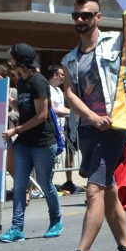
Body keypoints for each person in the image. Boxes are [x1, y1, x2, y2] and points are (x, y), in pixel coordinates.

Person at [54, 0, 126, 251]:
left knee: (94, 190)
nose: (80, 20)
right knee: (110, 191)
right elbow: (71, 94)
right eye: (76, 16)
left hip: (113, 128)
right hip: (88, 129)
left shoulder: (114, 43)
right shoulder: (70, 59)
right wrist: (91, 117)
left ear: (98, 17)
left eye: (86, 16)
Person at [0, 44, 62, 242]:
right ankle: (17, 228)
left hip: (42, 142)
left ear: (20, 61)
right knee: (19, 185)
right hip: (24, 143)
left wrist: (15, 130)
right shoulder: (23, 82)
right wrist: (11, 101)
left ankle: (56, 220)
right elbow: (26, 108)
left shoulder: (38, 81)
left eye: (11, 59)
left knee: (45, 183)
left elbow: (42, 115)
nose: (9, 62)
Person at [47, 63, 78, 194]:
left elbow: (63, 108)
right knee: (51, 158)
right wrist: (71, 113)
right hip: (52, 128)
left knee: (61, 156)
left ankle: (62, 183)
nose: (63, 78)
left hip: (61, 128)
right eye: (62, 75)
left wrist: (75, 112)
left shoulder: (59, 90)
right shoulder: (48, 89)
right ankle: (45, 185)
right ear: (55, 75)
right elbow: (53, 109)